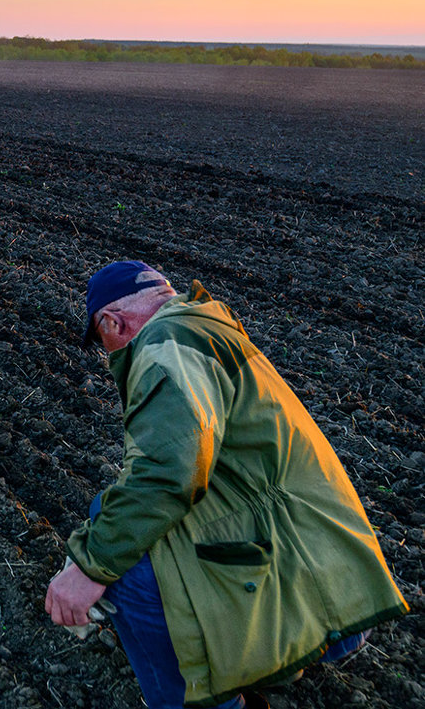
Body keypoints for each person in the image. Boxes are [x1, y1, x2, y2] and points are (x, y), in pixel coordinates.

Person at [44, 261, 408, 709]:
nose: (110, 355)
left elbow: (165, 472)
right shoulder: (203, 327)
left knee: (127, 567)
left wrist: (89, 567)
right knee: (114, 518)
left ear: (113, 323)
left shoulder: (164, 347)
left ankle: (196, 702)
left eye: (105, 344)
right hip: (321, 555)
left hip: (293, 558)